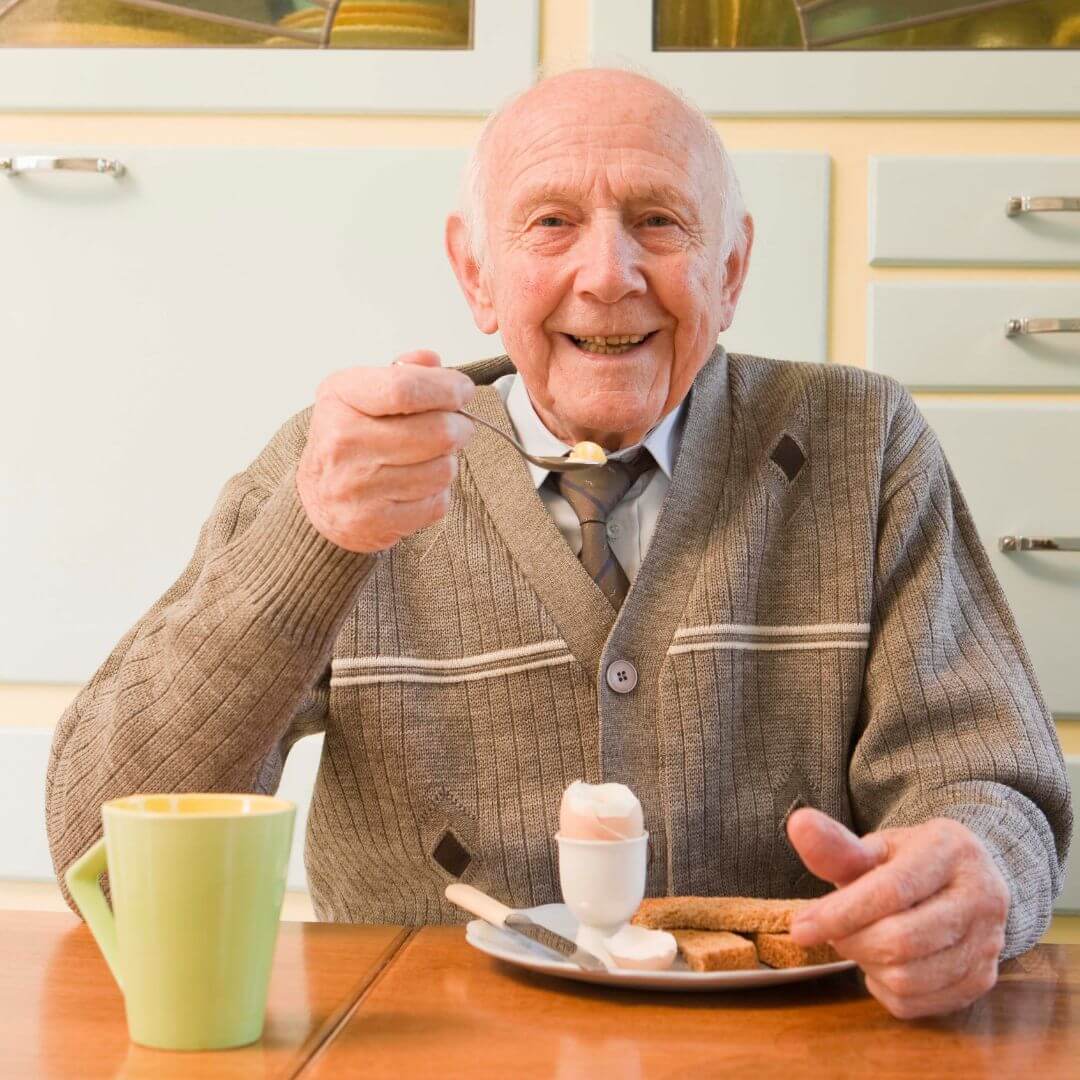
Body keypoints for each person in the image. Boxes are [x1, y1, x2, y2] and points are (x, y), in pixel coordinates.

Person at [46, 69, 1071, 1020]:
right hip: (430, 1050)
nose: (609, 273)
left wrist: (975, 872)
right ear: (475, 271)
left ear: (733, 267)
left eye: (659, 222)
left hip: (786, 1048)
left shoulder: (864, 442)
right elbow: (98, 844)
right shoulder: (344, 466)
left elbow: (988, 787)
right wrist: (310, 547)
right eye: (552, 223)